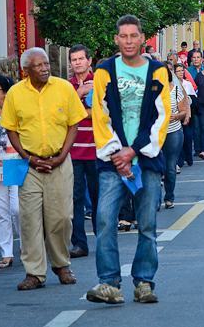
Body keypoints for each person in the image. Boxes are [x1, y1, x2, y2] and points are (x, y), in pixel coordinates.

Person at [87, 16, 171, 304]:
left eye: (134, 36)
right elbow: (100, 113)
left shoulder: (158, 71)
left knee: (147, 223)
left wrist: (133, 150)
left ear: (142, 38)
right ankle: (109, 282)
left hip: (145, 160)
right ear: (116, 39)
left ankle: (144, 281)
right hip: (112, 161)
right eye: (123, 36)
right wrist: (117, 153)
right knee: (105, 219)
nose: (129, 41)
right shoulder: (104, 71)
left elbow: (161, 117)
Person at [0, 48, 86, 291]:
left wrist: (61, 156)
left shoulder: (63, 88)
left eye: (46, 64)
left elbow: (74, 125)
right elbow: (11, 129)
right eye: (38, 66)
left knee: (61, 217)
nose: (45, 68)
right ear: (26, 71)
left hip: (59, 161)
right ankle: (35, 273)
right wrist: (28, 157)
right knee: (29, 220)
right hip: (29, 165)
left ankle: (61, 264)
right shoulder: (16, 93)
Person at [67, 44, 98, 259]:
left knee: (99, 198)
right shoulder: (66, 87)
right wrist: (79, 94)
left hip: (97, 150)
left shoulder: (100, 83)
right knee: (75, 199)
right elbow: (64, 115)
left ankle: (102, 237)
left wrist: (82, 111)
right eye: (74, 59)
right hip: (74, 151)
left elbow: (102, 112)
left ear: (89, 61)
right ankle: (79, 243)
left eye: (80, 59)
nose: (77, 63)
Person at [0, 74, 21, 270]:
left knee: (17, 209)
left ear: (5, 91)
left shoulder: (15, 109)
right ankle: (6, 253)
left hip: (14, 163)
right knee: (1, 213)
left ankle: (28, 248)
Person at [162, 69, 188, 208]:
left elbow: (183, 110)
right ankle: (153, 200)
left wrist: (176, 116)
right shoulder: (151, 90)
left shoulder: (176, 90)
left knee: (170, 167)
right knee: (154, 168)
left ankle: (169, 197)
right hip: (155, 133)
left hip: (173, 132)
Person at [174, 63, 196, 167]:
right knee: (179, 138)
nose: (181, 73)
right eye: (178, 71)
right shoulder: (172, 85)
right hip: (176, 114)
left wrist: (188, 114)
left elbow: (190, 100)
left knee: (187, 136)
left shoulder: (187, 84)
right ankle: (180, 160)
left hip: (187, 112)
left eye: (182, 70)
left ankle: (189, 157)